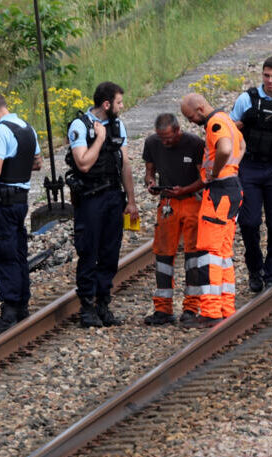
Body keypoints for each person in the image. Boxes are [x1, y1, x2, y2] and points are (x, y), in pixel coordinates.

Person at [64, 81, 139, 327]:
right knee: (89, 252)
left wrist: (131, 200)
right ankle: (87, 307)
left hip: (113, 196)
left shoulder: (118, 125)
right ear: (106, 104)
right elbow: (83, 163)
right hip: (90, 198)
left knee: (110, 253)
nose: (122, 106)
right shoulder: (80, 126)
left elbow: (125, 164)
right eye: (119, 102)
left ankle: (103, 303)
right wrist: (99, 139)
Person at [0, 92, 42, 335]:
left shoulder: (1, 131)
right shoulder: (27, 128)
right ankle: (22, 303)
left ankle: (9, 310)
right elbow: (37, 163)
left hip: (3, 201)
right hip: (21, 200)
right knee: (18, 250)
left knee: (4, 253)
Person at [180, 93, 245, 327]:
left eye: (190, 117)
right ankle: (226, 307)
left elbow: (226, 148)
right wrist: (231, 169)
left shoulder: (215, 123)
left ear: (199, 108)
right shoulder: (227, 119)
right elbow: (241, 145)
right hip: (233, 188)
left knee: (209, 253)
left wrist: (216, 172)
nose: (190, 122)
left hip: (219, 191)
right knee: (224, 253)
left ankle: (209, 311)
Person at [142, 113, 205, 325]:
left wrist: (185, 189)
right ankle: (163, 309)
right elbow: (149, 171)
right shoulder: (152, 143)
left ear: (178, 130)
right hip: (167, 202)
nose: (165, 142)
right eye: (162, 138)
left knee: (193, 255)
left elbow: (204, 178)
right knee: (162, 255)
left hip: (191, 201)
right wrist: (150, 182)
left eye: (168, 137)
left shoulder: (195, 144)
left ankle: (191, 308)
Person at [230, 55, 272, 292]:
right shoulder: (246, 99)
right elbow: (228, 131)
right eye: (266, 76)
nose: (269, 81)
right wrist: (244, 123)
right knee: (249, 223)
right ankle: (255, 268)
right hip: (250, 166)